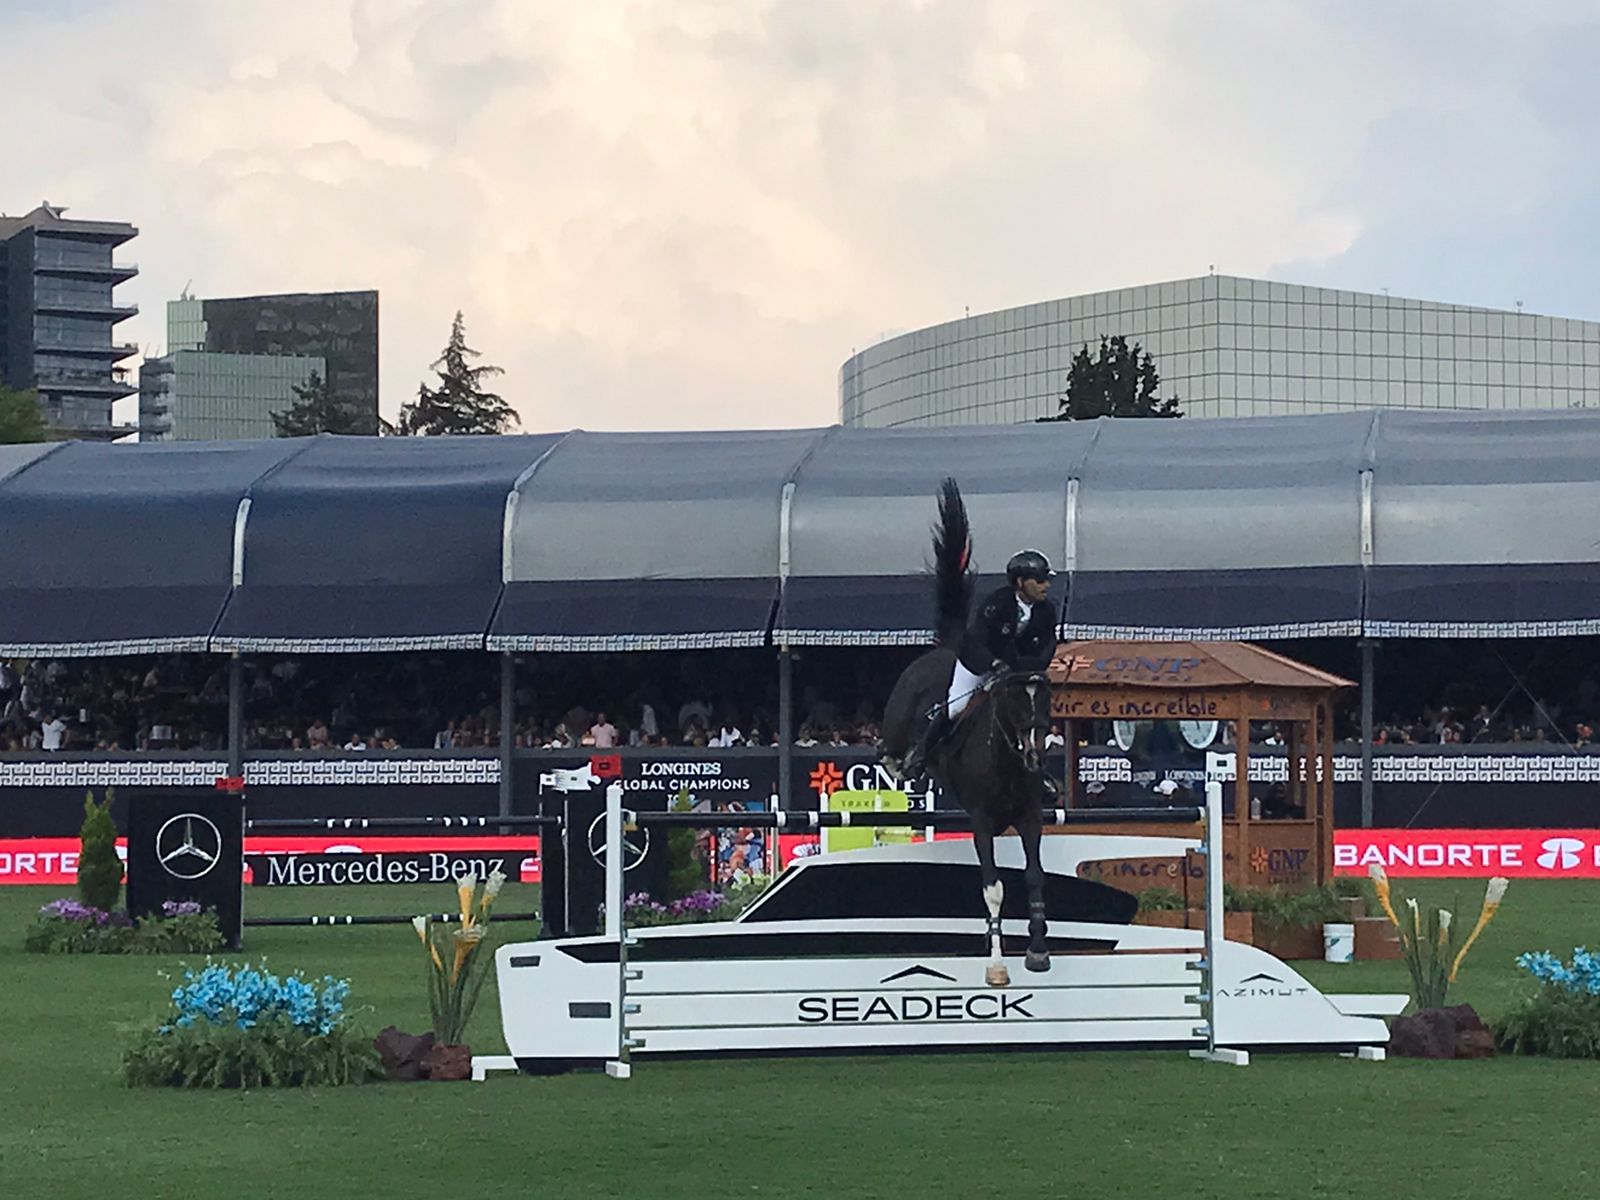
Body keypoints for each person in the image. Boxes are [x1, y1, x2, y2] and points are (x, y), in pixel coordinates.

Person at [902, 549, 1060, 779]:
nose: (1046, 585)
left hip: (1018, 670)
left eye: (1047, 580)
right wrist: (994, 664)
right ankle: (921, 755)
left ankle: (1037, 768)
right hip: (978, 664)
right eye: (1040, 580)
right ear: (1020, 582)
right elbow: (976, 642)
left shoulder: (1047, 610)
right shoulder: (997, 604)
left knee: (1030, 710)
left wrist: (1035, 668)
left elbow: (1048, 644)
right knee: (956, 708)